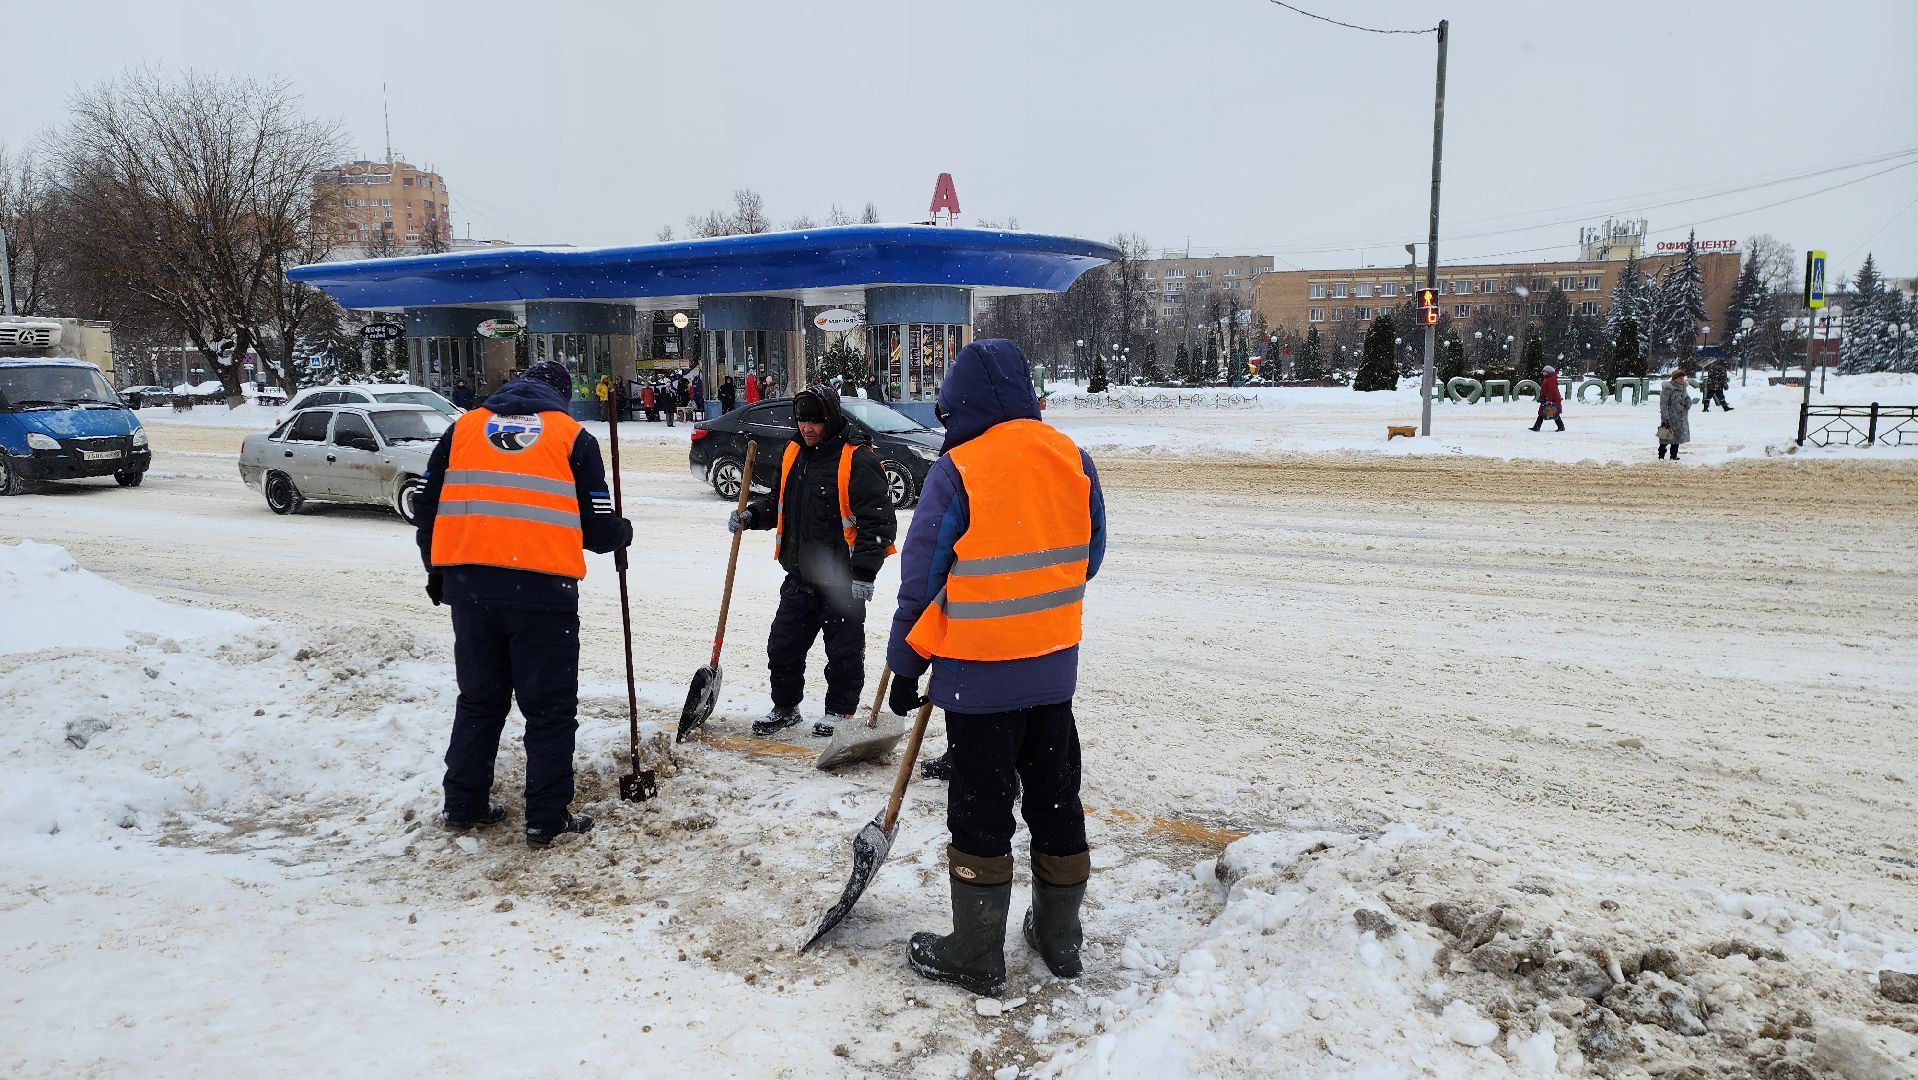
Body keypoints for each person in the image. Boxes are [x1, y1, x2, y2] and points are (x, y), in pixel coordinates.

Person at [884, 338, 1106, 998]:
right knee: (1055, 801)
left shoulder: (958, 469)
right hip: (1052, 671)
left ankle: (978, 954)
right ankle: (1061, 940)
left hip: (977, 681)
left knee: (982, 815)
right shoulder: (1074, 458)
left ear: (959, 405)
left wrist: (906, 662)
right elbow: (1088, 556)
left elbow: (923, 581)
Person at [412, 359, 634, 848]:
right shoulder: (571, 437)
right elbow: (598, 531)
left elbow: (425, 506)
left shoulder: (463, 428)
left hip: (470, 590)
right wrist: (623, 531)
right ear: (558, 396)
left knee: (479, 701)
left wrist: (436, 570)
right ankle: (545, 819)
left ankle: (463, 803)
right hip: (541, 594)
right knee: (549, 710)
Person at [729, 385, 896, 738]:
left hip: (842, 580)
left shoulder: (857, 458)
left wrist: (865, 572)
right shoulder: (793, 453)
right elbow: (780, 503)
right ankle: (786, 708)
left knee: (844, 655)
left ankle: (840, 712)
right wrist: (751, 515)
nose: (807, 428)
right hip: (800, 577)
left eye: (815, 421)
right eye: (802, 420)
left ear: (831, 419)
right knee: (783, 645)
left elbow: (879, 521)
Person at [1658, 369, 1693, 460]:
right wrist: (1665, 417)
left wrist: (1687, 406)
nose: (1682, 379)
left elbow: (1687, 399)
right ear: (1675, 378)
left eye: (1683, 377)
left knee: (1677, 436)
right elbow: (1663, 404)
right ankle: (1661, 455)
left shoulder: (1683, 387)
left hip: (1680, 416)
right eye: (1680, 377)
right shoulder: (1668, 388)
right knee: (1665, 435)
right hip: (1670, 416)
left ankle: (1673, 455)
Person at [1530, 365, 1565, 432]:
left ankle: (1561, 427)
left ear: (1548, 372)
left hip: (1551, 399)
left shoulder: (1551, 379)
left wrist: (1549, 399)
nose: (1542, 372)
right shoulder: (1548, 378)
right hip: (1547, 398)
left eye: (1544, 371)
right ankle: (1537, 427)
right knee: (1544, 412)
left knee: (1553, 413)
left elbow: (1552, 391)